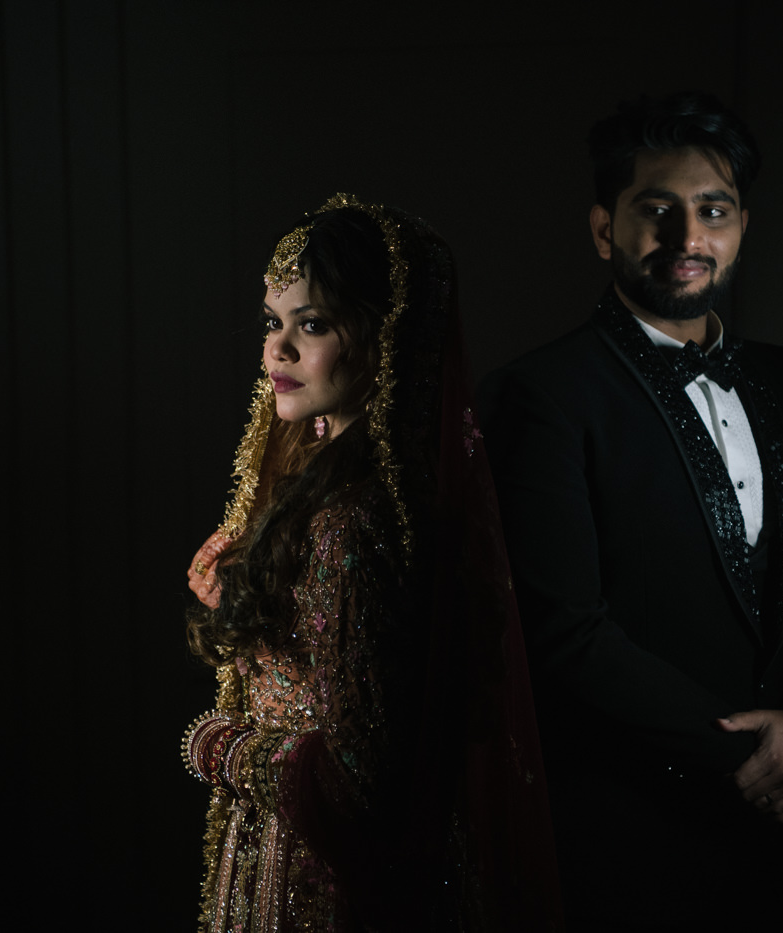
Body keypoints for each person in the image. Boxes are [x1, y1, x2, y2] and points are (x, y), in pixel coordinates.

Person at [480, 93, 783, 930]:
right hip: (626, 852)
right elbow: (563, 630)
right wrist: (753, 754)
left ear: (741, 227)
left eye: (713, 211)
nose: (687, 237)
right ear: (605, 230)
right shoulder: (539, 394)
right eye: (656, 210)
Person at [181, 194, 562, 933]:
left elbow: (355, 783)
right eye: (272, 321)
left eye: (312, 324)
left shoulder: (353, 518)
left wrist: (219, 746)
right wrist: (244, 592)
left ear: (386, 338)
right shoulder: (338, 488)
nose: (278, 350)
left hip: (322, 881)